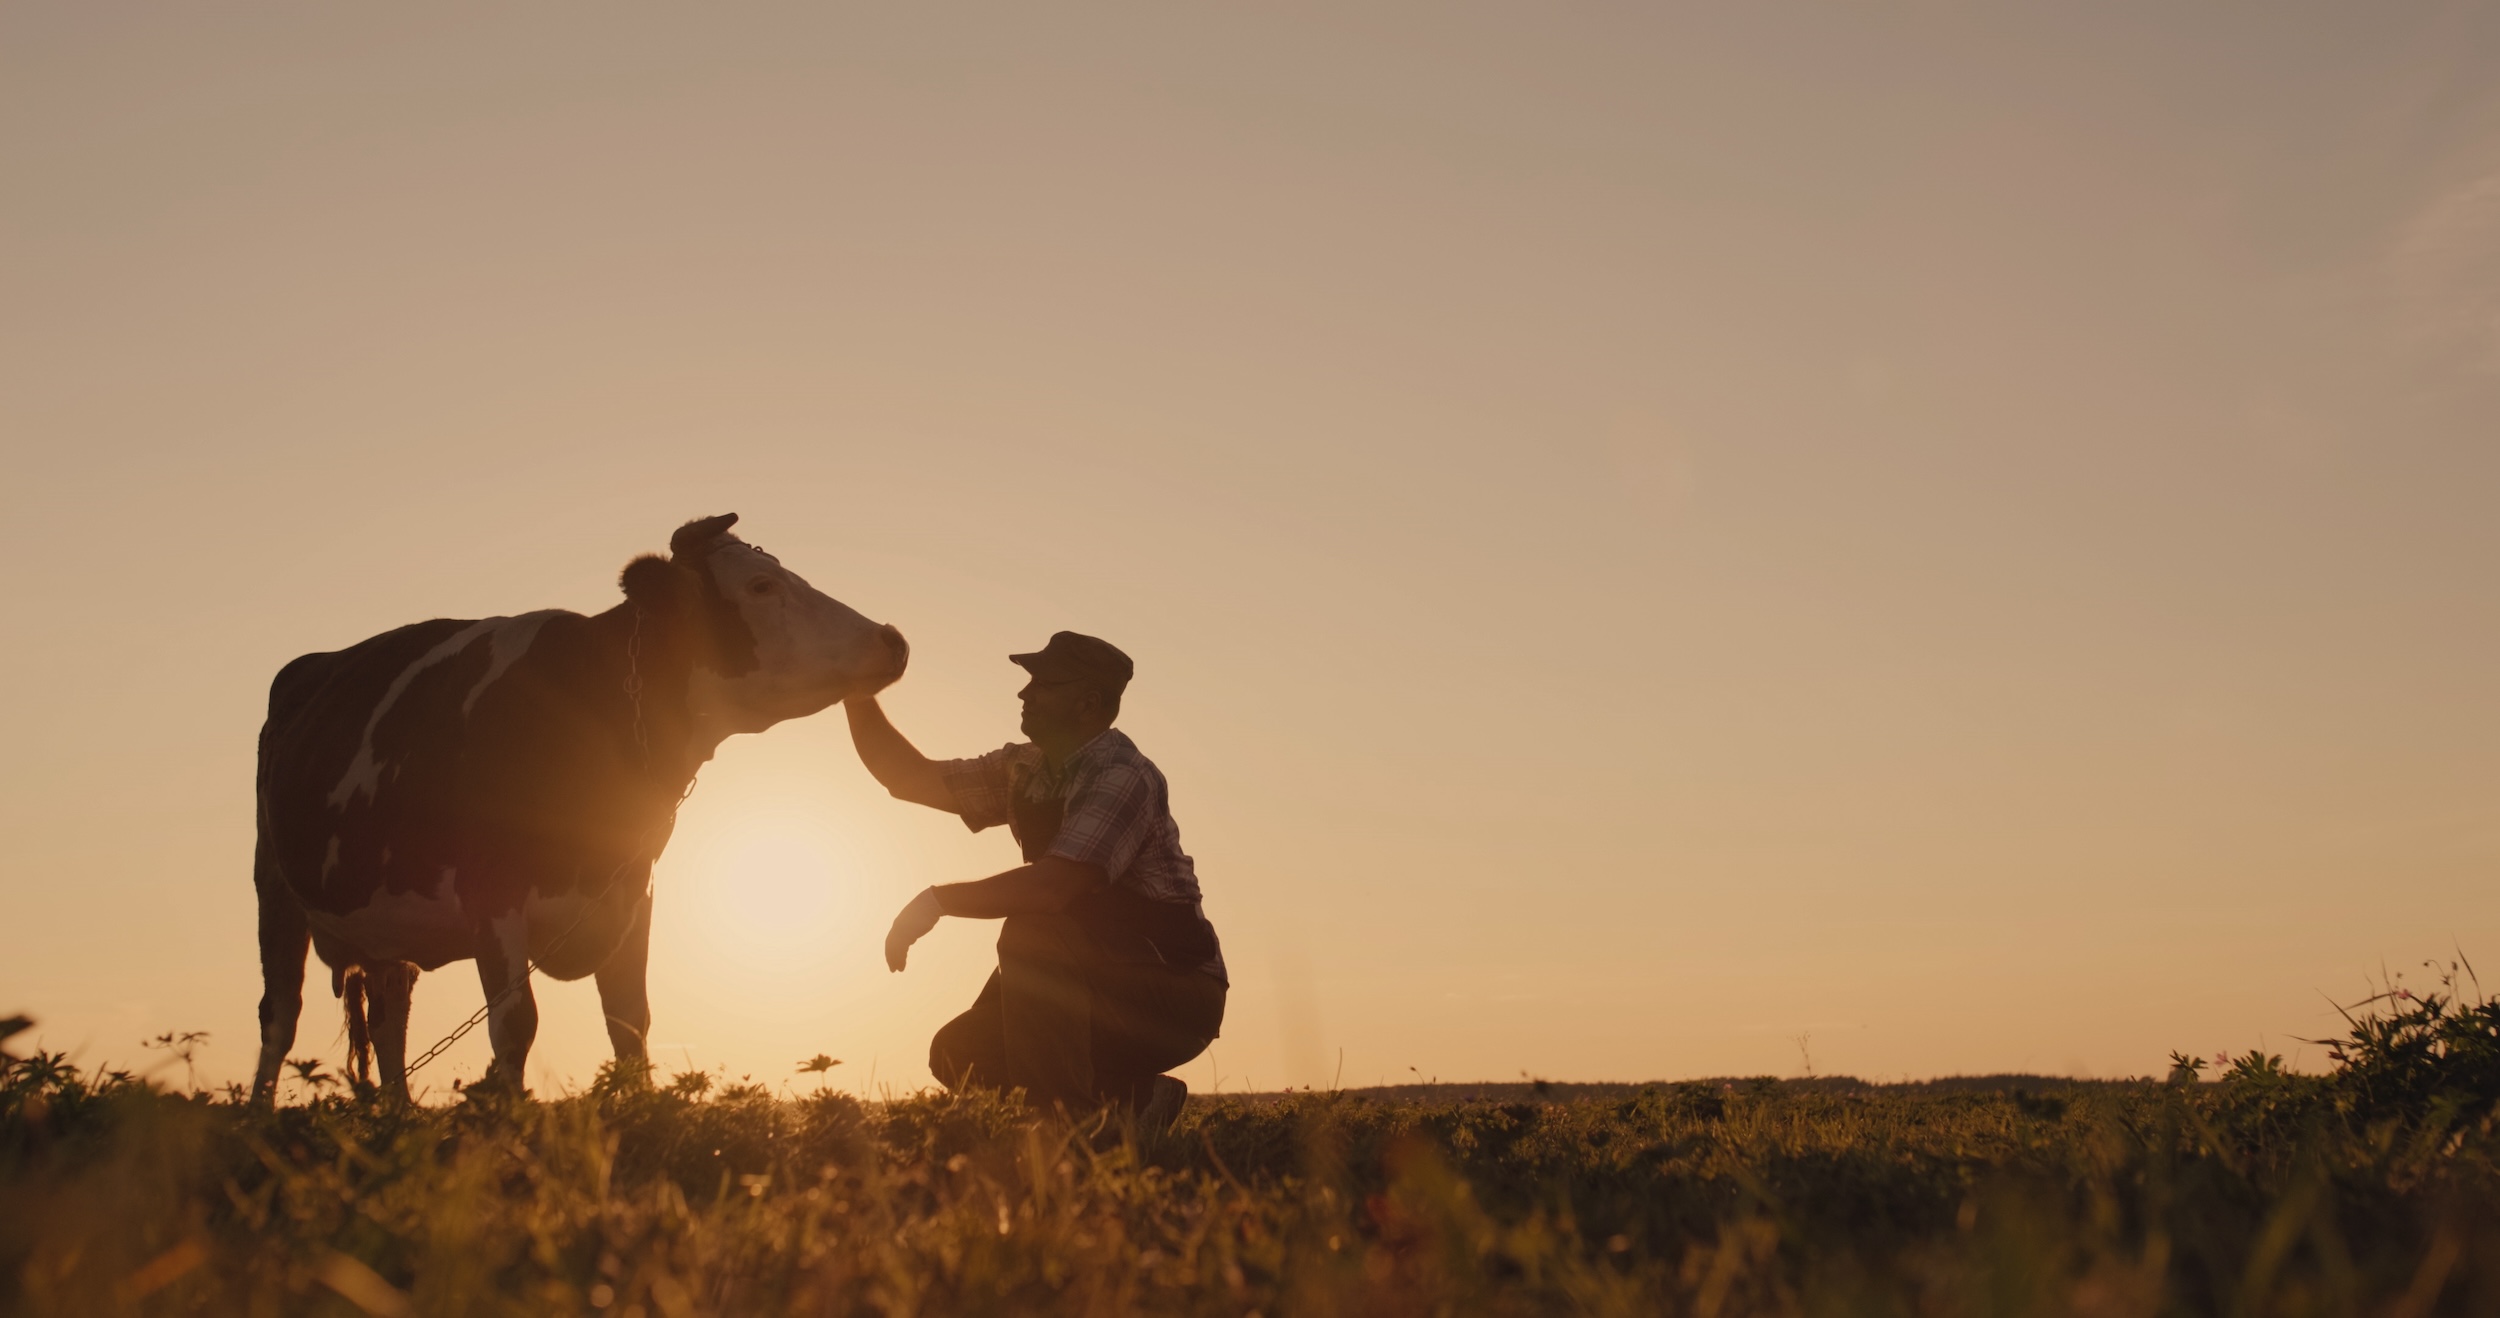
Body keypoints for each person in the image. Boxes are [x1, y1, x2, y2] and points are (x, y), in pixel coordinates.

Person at [844, 631, 1225, 1127]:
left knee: (1031, 932)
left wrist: (936, 900)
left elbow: (1051, 889)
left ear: (1088, 704)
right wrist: (853, 688)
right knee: (960, 1052)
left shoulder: (1123, 775)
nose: (1025, 694)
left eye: (1042, 684)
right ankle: (1135, 1101)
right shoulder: (1024, 768)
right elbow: (906, 775)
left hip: (1174, 995)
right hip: (1087, 966)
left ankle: (1068, 1135)